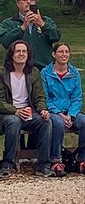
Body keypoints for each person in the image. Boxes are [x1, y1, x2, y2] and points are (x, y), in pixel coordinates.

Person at [41, 43, 85, 177]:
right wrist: (60, 114)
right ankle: (56, 160)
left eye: (66, 52)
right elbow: (45, 98)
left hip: (71, 111)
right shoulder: (45, 73)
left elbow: (77, 97)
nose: (64, 54)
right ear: (54, 54)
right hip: (54, 111)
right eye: (61, 52)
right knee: (58, 124)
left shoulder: (74, 73)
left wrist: (71, 115)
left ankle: (82, 159)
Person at [0, 41, 52, 178]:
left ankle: (43, 166)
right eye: (18, 51)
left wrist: (42, 110)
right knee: (13, 122)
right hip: (8, 113)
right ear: (11, 54)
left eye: (24, 51)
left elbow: (40, 97)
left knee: (45, 121)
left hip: (29, 112)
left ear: (28, 55)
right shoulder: (3, 74)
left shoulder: (34, 73)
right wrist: (15, 111)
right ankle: (7, 164)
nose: (21, 54)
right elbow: (0, 101)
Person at [0, 0, 61, 69]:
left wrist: (42, 25)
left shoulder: (46, 21)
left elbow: (56, 37)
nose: (28, 2)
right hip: (18, 69)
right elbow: (5, 41)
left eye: (31, 0)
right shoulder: (9, 23)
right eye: (25, 0)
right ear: (18, 3)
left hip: (43, 68)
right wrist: (23, 27)